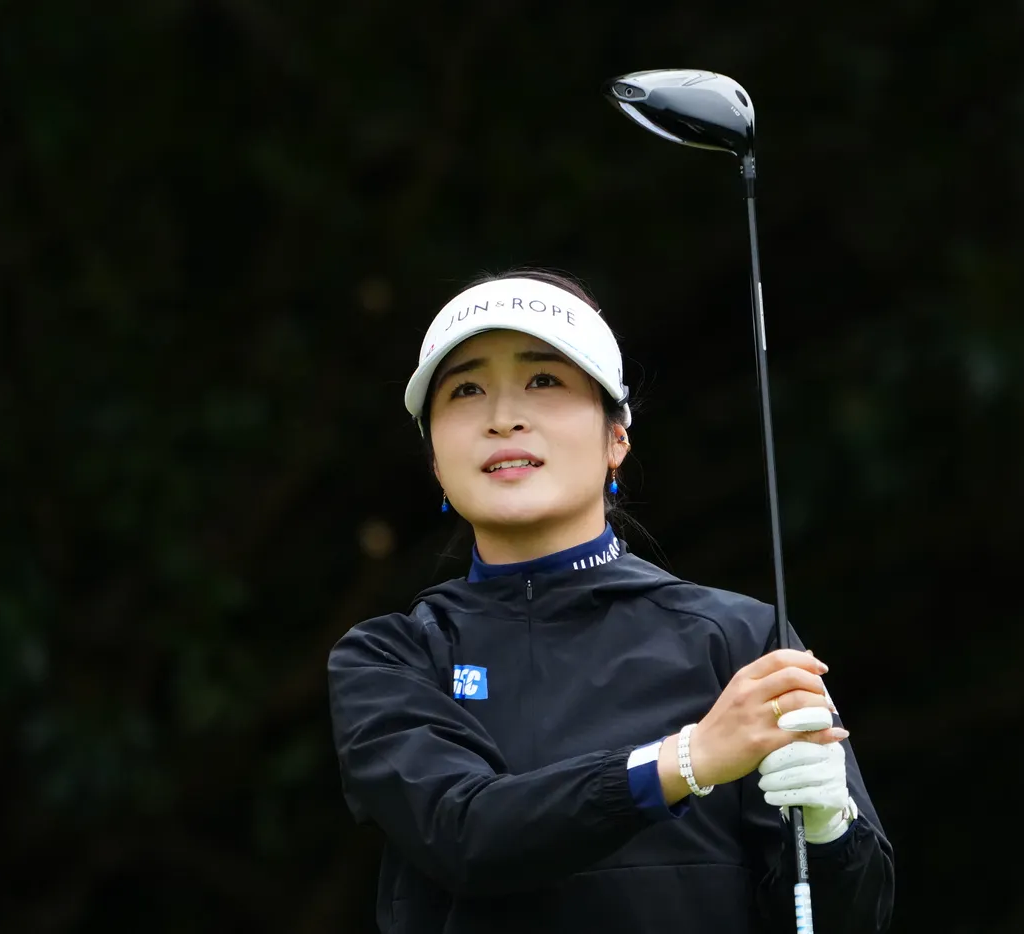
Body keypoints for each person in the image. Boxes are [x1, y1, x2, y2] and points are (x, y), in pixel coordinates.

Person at [327, 268, 895, 933]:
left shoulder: (742, 641)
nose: (503, 417)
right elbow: (464, 833)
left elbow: (846, 922)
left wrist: (829, 834)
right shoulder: (391, 657)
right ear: (434, 460)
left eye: (544, 380)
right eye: (466, 390)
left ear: (616, 438)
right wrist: (688, 761)